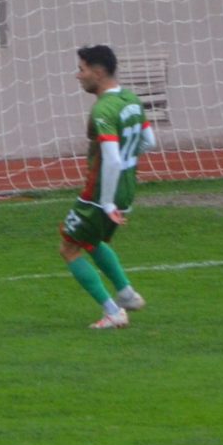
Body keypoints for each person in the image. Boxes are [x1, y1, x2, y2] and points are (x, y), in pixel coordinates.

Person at [60, 44, 152, 331]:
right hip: (127, 187)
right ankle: (126, 294)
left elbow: (111, 158)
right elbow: (149, 141)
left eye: (82, 69)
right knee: (91, 240)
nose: (78, 75)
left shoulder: (104, 109)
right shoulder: (131, 100)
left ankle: (113, 312)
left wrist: (107, 202)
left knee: (68, 247)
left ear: (98, 73)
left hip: (101, 191)